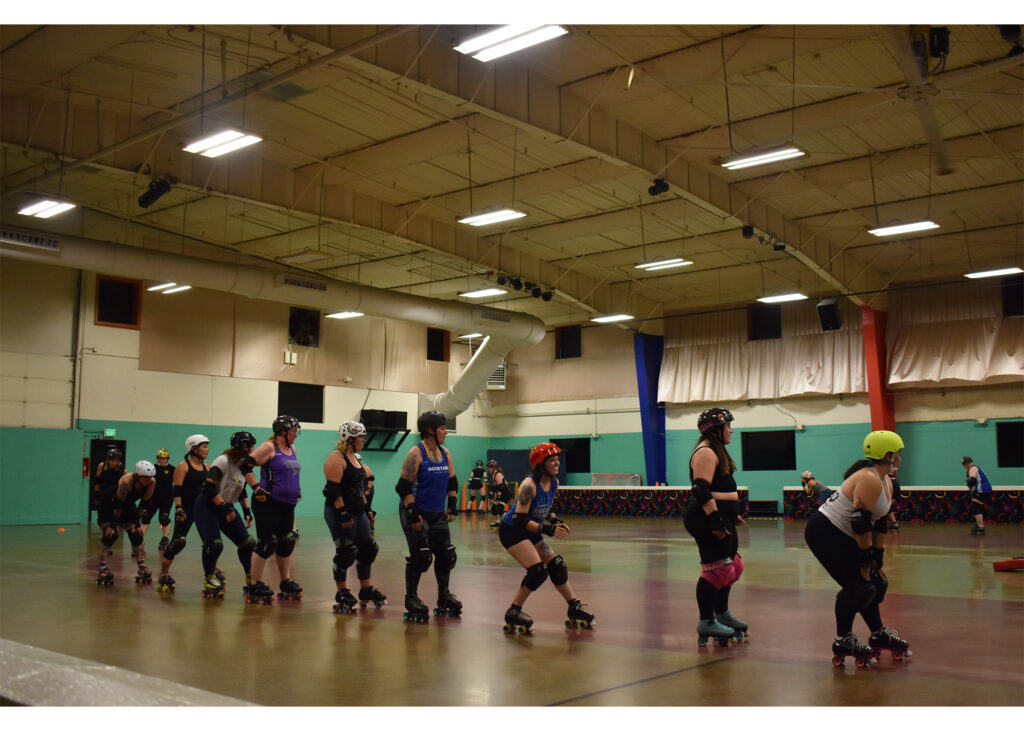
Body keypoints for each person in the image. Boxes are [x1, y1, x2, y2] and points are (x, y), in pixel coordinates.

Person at [805, 430, 912, 668]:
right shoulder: (869, 478)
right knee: (858, 587)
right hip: (825, 532)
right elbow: (860, 522)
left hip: (846, 534)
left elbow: (880, 521)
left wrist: (878, 556)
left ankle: (878, 633)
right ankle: (843, 640)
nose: (901, 458)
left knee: (876, 582)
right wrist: (865, 557)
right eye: (899, 453)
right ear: (888, 455)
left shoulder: (887, 481)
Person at [498, 442, 594, 634]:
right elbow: (519, 520)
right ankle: (513, 611)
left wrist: (555, 520)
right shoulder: (528, 486)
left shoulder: (554, 482)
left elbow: (545, 507)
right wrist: (547, 530)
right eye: (552, 460)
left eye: (558, 459)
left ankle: (573, 607)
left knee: (557, 565)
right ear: (541, 464)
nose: (557, 463)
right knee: (538, 571)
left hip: (531, 529)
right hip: (512, 531)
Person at [683, 408, 747, 647]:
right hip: (704, 517)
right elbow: (700, 487)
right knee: (716, 570)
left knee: (733, 567)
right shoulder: (706, 451)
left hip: (720, 516)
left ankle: (722, 613)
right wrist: (715, 517)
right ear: (715, 429)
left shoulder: (716, 451)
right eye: (728, 425)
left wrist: (731, 513)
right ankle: (706, 620)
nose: (731, 430)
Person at [395, 411, 462, 622]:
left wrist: (452, 504)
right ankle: (411, 598)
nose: (445, 432)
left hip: (437, 513)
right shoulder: (416, 454)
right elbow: (402, 486)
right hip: (416, 512)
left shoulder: (446, 453)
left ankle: (443, 597)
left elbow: (452, 481)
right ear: (430, 431)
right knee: (421, 555)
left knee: (446, 555)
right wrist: (413, 514)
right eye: (442, 428)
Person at [323, 421, 387, 614]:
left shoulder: (354, 458)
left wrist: (367, 510)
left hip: (358, 512)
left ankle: (366, 589)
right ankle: (341, 592)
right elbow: (332, 490)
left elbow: (359, 490)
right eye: (360, 437)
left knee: (367, 549)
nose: (363, 440)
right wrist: (343, 513)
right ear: (349, 438)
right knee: (345, 552)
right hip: (339, 512)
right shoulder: (336, 458)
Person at [191, 431, 258, 599]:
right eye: (250, 447)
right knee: (214, 544)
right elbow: (209, 487)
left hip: (226, 506)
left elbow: (241, 490)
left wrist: (246, 511)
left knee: (247, 543)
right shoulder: (223, 461)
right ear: (243, 448)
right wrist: (223, 507)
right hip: (207, 505)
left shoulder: (243, 465)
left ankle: (251, 577)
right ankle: (210, 578)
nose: (253, 450)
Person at [247, 415, 304, 603]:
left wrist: (297, 490)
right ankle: (254, 584)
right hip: (268, 502)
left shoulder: (292, 449)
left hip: (287, 503)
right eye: (294, 431)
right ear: (282, 432)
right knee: (267, 543)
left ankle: (285, 581)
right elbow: (245, 466)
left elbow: (290, 473)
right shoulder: (269, 447)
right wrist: (256, 488)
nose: (296, 434)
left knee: (286, 542)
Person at [155, 435, 211, 592]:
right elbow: (177, 489)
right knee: (178, 541)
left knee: (211, 544)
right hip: (185, 509)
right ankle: (164, 573)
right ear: (194, 449)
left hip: (202, 510)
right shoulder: (183, 466)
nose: (207, 449)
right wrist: (178, 508)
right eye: (204, 446)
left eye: (207, 446)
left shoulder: (207, 467)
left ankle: (212, 572)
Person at [95, 460, 157, 585]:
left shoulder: (151, 482)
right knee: (111, 534)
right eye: (145, 477)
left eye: (150, 477)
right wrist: (113, 525)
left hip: (128, 505)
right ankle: (102, 566)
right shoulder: (126, 482)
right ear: (138, 476)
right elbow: (118, 505)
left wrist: (137, 522)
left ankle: (141, 565)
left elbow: (144, 503)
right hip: (108, 505)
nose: (148, 480)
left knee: (136, 534)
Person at [142, 449, 174, 553]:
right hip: (153, 497)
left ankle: (165, 539)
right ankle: (139, 539)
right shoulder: (152, 468)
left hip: (167, 497)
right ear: (157, 459)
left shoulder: (172, 469)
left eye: (164, 459)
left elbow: (178, 482)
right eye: (160, 458)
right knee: (146, 516)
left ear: (167, 459)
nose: (162, 460)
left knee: (163, 518)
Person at [962, 456, 993, 535]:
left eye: (966, 464)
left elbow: (971, 481)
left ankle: (981, 528)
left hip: (982, 489)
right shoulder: (974, 468)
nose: (965, 466)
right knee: (977, 506)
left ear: (970, 463)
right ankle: (980, 525)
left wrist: (972, 492)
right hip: (985, 489)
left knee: (974, 506)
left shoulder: (973, 468)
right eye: (964, 464)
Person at [92, 448, 126, 513]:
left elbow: (125, 485)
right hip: (103, 492)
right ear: (108, 460)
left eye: (116, 460)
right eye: (111, 460)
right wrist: (96, 494)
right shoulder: (101, 466)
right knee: (102, 515)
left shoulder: (123, 470)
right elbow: (97, 481)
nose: (113, 463)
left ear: (119, 461)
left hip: (115, 495)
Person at [487, 460, 513, 528]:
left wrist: (498, 498)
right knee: (494, 509)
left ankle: (509, 523)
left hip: (506, 494)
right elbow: (496, 487)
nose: (488, 469)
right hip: (503, 493)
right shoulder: (494, 475)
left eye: (489, 468)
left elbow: (501, 487)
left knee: (499, 509)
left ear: (494, 468)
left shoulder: (498, 475)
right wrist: (491, 494)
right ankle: (498, 523)